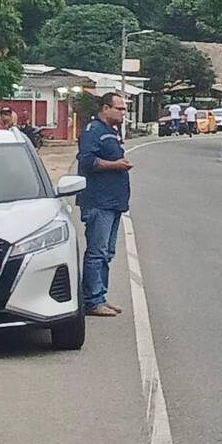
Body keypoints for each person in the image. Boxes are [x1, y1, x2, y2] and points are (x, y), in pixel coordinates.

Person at [76, 92, 132, 318]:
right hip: (98, 201)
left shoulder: (112, 132)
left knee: (107, 253)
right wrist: (115, 165)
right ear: (106, 108)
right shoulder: (93, 131)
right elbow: (87, 161)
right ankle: (92, 300)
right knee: (97, 252)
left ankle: (100, 296)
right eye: (119, 109)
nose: (123, 113)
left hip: (114, 202)